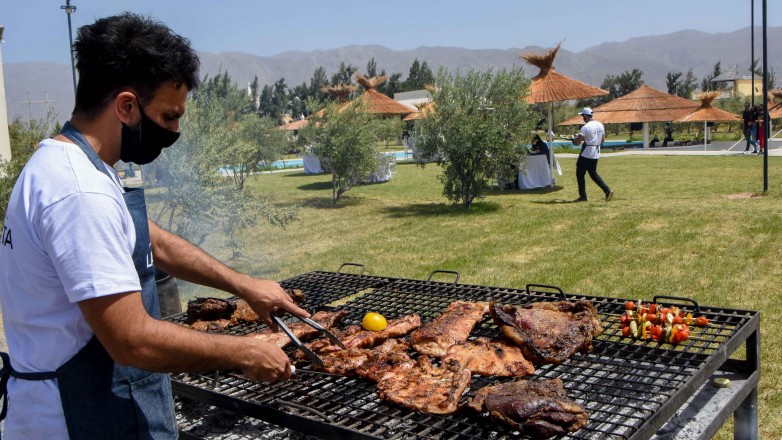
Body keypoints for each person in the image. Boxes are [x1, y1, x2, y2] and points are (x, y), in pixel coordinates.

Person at [0, 13, 308, 439]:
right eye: (168, 116)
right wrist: (243, 351)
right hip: (77, 419)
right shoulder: (79, 193)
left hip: (92, 406)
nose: (175, 130)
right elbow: (133, 341)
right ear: (127, 106)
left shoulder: (65, 164)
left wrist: (244, 286)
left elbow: (152, 242)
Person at [571, 108, 613, 202]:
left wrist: (573, 140)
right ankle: (607, 190)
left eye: (583, 116)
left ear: (585, 116)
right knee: (593, 173)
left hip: (586, 152)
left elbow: (577, 142)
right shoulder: (600, 125)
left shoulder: (585, 127)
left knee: (580, 174)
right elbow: (602, 140)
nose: (582, 118)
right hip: (596, 152)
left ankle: (583, 196)